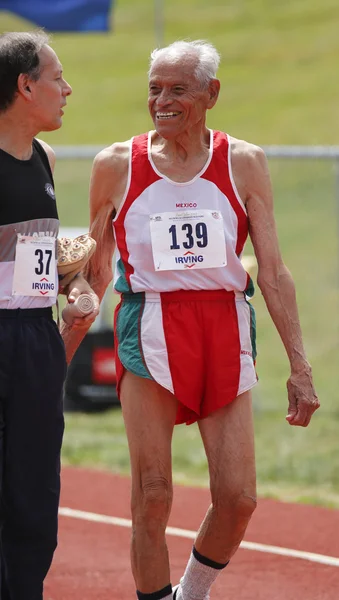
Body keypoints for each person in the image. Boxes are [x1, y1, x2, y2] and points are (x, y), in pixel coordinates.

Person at [62, 40, 320, 600]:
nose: (163, 100)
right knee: (152, 493)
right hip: (149, 323)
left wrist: (300, 365)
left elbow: (273, 272)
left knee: (238, 499)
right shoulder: (116, 164)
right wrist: (61, 350)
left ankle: (192, 592)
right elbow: (97, 268)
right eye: (155, 88)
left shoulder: (243, 162)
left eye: (178, 89)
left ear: (212, 94)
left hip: (224, 326)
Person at [0, 30, 99, 599]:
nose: (68, 89)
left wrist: (74, 284)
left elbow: (37, 254)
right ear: (24, 85)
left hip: (36, 340)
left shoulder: (45, 157)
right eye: (58, 77)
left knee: (34, 500)